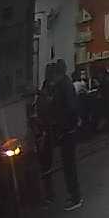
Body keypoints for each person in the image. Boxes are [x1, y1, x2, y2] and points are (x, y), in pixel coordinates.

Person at [36, 59, 82, 210]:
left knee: (69, 164)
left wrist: (63, 123)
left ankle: (75, 197)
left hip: (66, 130)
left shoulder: (64, 87)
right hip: (65, 130)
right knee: (67, 164)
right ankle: (72, 195)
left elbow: (69, 108)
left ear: (56, 74)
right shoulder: (62, 85)